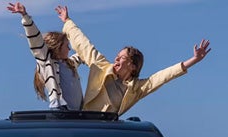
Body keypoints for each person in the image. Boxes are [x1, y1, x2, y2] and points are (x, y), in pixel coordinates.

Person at [55, 5, 211, 116]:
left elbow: (163, 77)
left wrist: (194, 60)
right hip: (86, 125)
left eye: (122, 57)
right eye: (117, 55)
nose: (116, 58)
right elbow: (84, 45)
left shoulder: (136, 89)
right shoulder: (101, 66)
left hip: (108, 133)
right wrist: (67, 21)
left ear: (133, 66)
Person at [7, 2, 83, 110]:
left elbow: (84, 52)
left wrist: (67, 21)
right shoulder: (47, 63)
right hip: (61, 110)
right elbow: (35, 41)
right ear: (58, 47)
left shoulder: (70, 63)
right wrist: (25, 16)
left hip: (78, 113)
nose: (69, 49)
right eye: (67, 46)